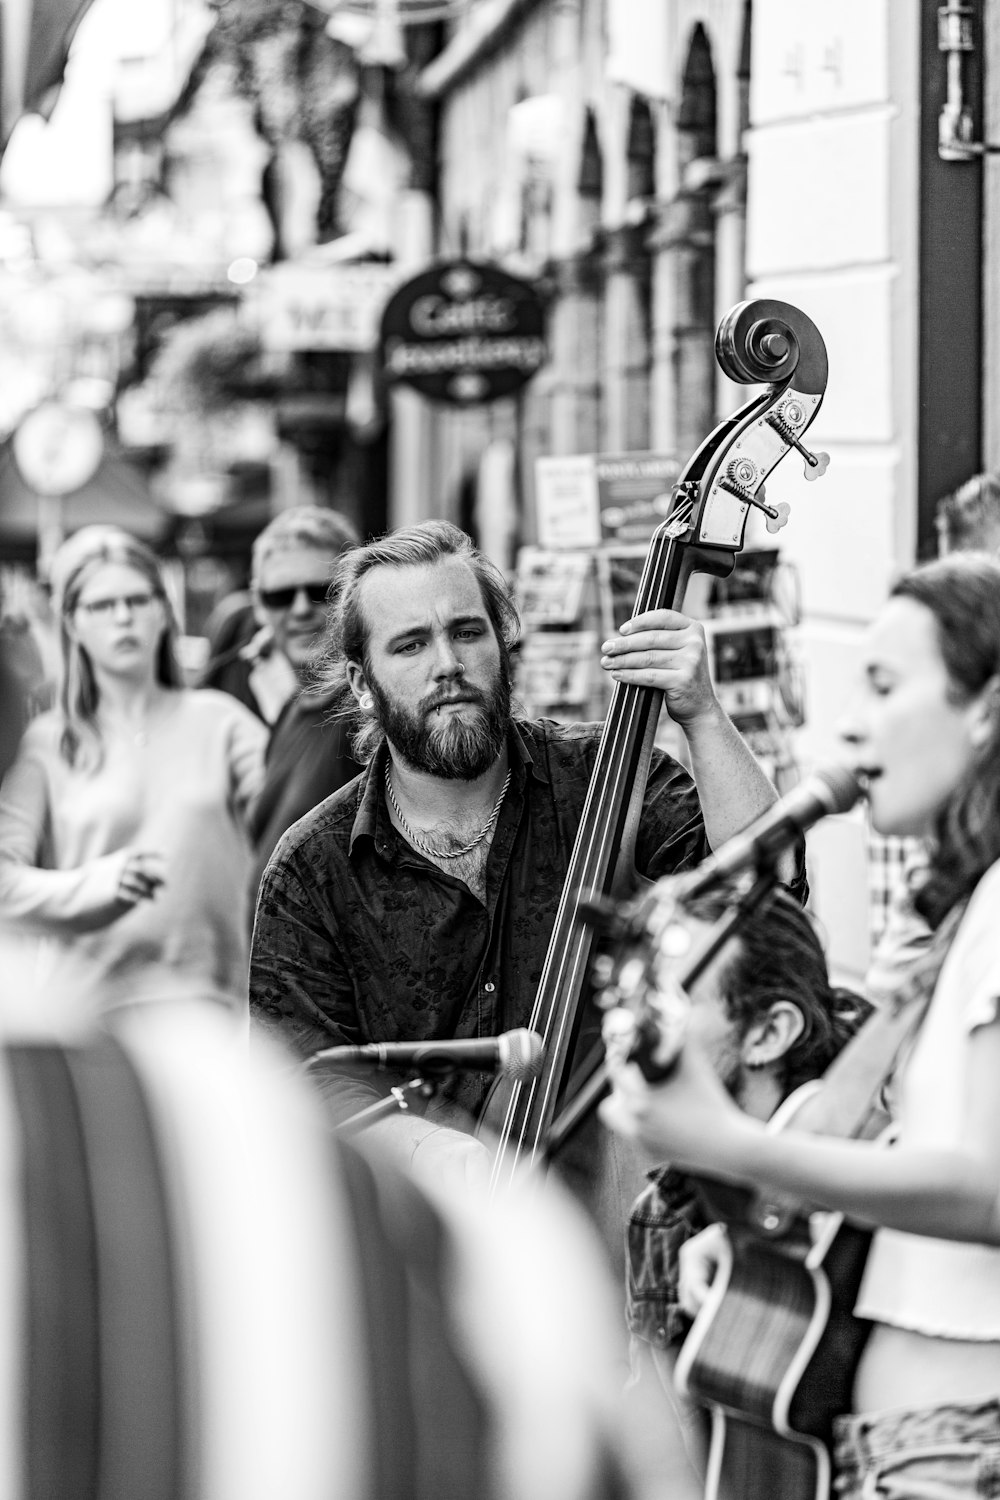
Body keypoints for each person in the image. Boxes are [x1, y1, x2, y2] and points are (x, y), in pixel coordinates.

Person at [250, 519, 804, 1218]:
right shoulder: (313, 868)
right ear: (362, 682)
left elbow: (767, 896)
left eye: (468, 632)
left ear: (504, 642)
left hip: (632, 1220)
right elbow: (296, 1081)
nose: (447, 663)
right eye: (411, 644)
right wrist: (420, 1145)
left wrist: (701, 714)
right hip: (428, 1241)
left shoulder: (617, 781)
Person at [600, 553, 1000, 1498]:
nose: (850, 726)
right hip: (912, 1445)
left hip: (958, 1448)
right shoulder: (962, 914)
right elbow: (924, 1155)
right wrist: (774, 1244)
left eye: (886, 687)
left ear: (984, 710)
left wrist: (737, 1146)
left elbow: (987, 1193)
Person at [619, 889, 871, 1498]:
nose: (635, 1033)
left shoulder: (880, 1159)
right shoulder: (662, 1215)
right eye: (633, 1003)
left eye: (670, 1002)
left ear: (769, 1033)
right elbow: (678, 1454)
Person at [0, 529, 267, 1014]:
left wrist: (298, 705)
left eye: (136, 600)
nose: (123, 617)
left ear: (163, 611)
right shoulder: (47, 740)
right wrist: (93, 886)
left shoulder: (221, 720)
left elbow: (293, 825)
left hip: (209, 1012)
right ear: (73, 624)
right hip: (90, 1020)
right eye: (102, 606)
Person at [239, 505, 362, 901]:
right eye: (279, 596)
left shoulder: (366, 709)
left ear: (353, 596)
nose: (300, 609)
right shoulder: (292, 709)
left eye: (320, 592)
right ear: (258, 604)